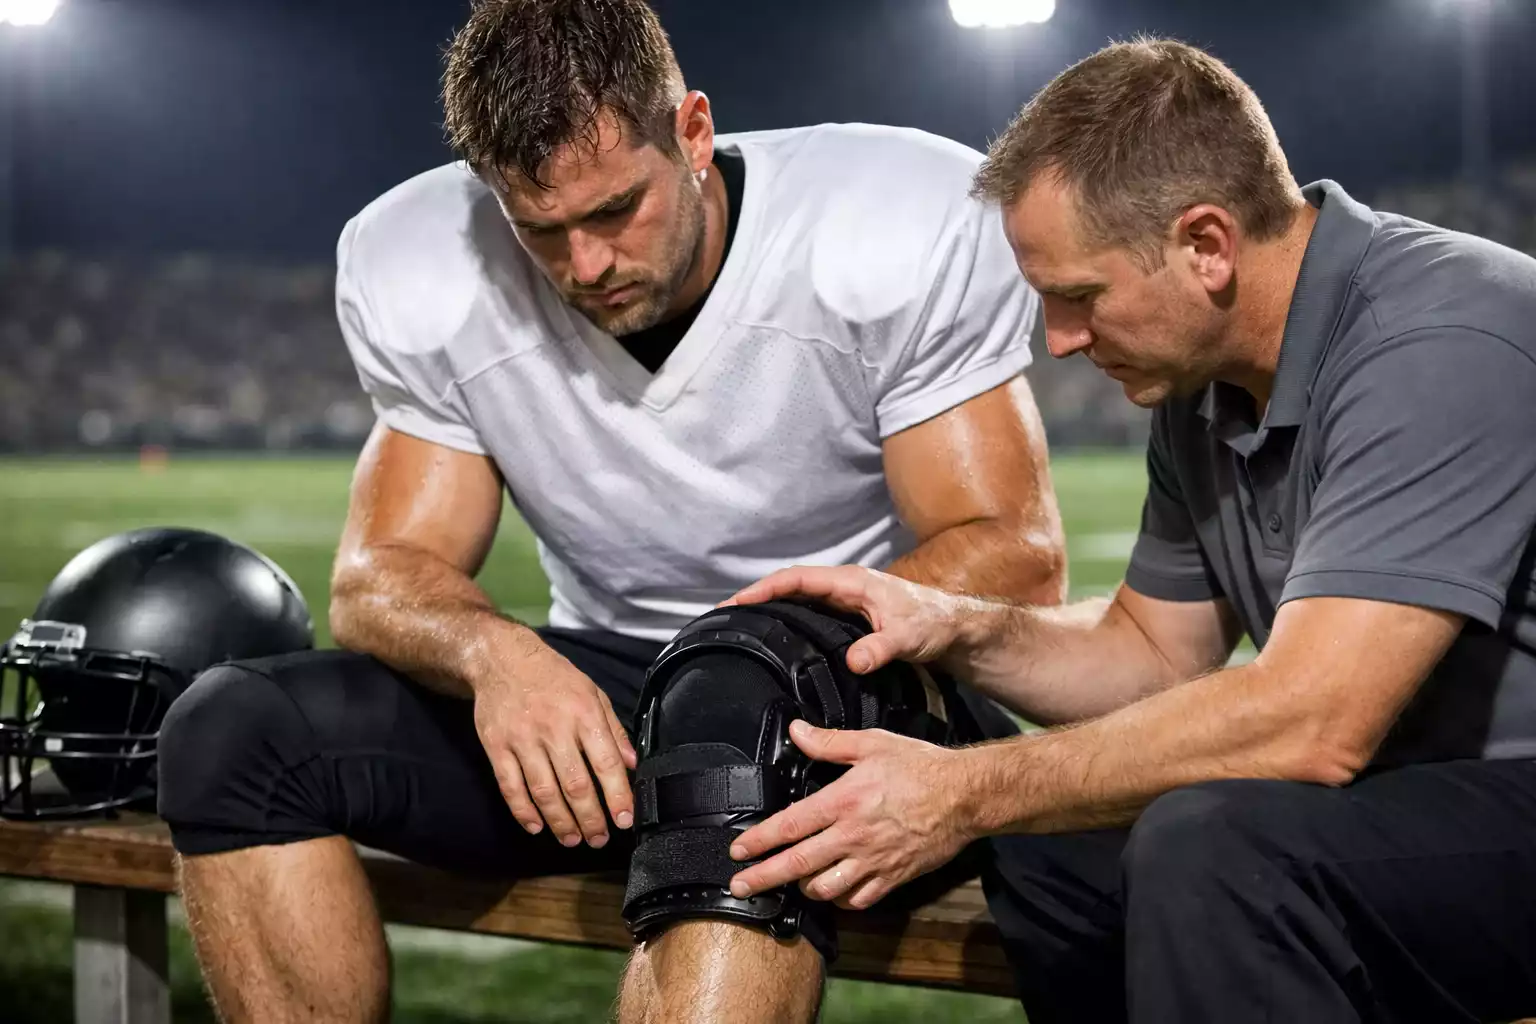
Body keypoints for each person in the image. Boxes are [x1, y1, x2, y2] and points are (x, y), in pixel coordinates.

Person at [151, 1, 1066, 1022]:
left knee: (731, 698)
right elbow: (379, 577)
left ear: (693, 132)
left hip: (861, 687)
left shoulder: (888, 216)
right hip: (614, 689)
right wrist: (497, 657)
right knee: (233, 729)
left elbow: (1013, 557)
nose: (586, 264)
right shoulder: (423, 261)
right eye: (541, 229)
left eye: (616, 210)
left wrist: (757, 641)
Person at [724, 37, 1536, 1024]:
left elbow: (1313, 720)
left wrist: (967, 788)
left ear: (1206, 245)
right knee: (1058, 846)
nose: (1059, 340)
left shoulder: (1443, 334)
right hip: (1422, 802)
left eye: (1079, 296)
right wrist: (958, 625)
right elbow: (1153, 655)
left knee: (1217, 845)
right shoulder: (1198, 382)